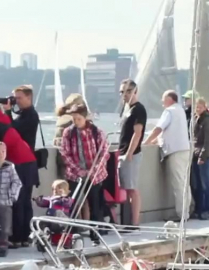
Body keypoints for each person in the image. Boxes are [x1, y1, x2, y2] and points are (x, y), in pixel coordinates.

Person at [0, 99, 37, 248]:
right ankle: (25, 237)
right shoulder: (5, 121)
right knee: (25, 202)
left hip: (17, 164)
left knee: (15, 203)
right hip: (29, 162)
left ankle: (15, 237)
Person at [60, 104, 110, 244]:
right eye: (74, 119)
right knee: (72, 204)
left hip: (95, 175)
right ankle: (71, 236)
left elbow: (104, 152)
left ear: (85, 117)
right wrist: (79, 170)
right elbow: (65, 153)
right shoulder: (68, 133)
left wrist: (94, 170)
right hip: (75, 174)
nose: (76, 122)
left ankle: (96, 235)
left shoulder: (97, 132)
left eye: (79, 119)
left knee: (96, 205)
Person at [145, 90, 191, 220]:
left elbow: (159, 128)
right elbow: (168, 131)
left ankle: (182, 214)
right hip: (184, 149)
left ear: (170, 99)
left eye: (163, 99)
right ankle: (187, 210)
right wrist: (156, 140)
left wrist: (147, 142)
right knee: (185, 182)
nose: (162, 102)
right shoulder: (180, 110)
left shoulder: (169, 111)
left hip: (175, 151)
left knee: (178, 184)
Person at [117, 79, 146, 230]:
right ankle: (128, 222)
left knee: (132, 189)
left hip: (132, 154)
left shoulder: (138, 110)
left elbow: (137, 133)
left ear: (135, 91)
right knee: (126, 188)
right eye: (122, 92)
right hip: (122, 153)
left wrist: (129, 153)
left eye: (128, 91)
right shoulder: (126, 109)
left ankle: (134, 223)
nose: (125, 95)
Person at [190, 98, 209, 219]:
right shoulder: (197, 119)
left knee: (206, 183)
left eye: (200, 107)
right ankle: (200, 209)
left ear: (205, 107)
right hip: (196, 154)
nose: (198, 109)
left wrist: (202, 155)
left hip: (204, 155)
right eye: (196, 107)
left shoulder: (207, 120)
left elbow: (208, 140)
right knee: (198, 184)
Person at [3, 85, 40, 151]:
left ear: (28, 97)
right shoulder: (24, 113)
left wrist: (8, 111)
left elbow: (13, 129)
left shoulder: (31, 115)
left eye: (19, 98)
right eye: (15, 98)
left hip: (25, 154)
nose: (16, 101)